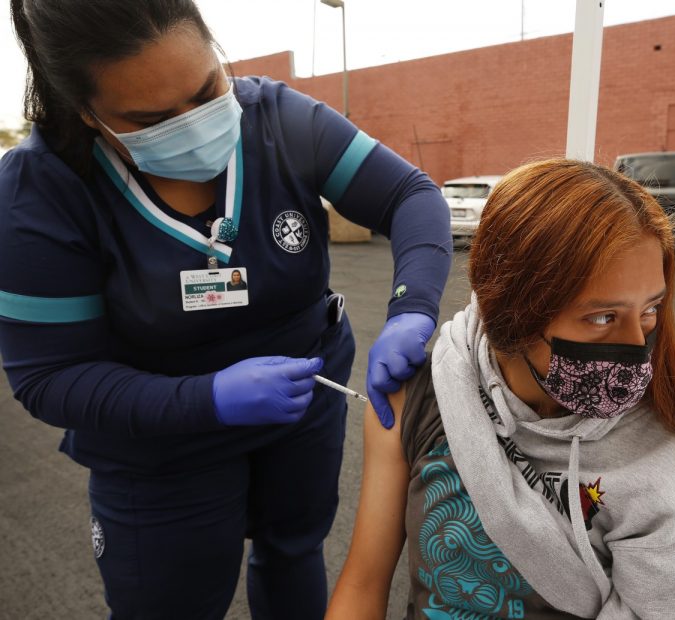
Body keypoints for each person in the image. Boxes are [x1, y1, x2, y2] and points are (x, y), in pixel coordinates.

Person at [0, 1, 450, 618]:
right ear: (85, 111)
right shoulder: (41, 191)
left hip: (301, 408)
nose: (195, 122)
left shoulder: (278, 119)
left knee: (294, 552)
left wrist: (412, 310)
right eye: (151, 118)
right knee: (171, 601)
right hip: (157, 442)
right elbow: (49, 377)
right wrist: (205, 399)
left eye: (207, 89)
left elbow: (409, 195)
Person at [326, 159, 675, 619]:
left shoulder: (667, 479)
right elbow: (364, 584)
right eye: (601, 317)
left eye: (650, 309)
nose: (638, 348)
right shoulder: (421, 399)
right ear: (509, 312)